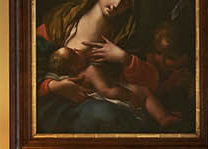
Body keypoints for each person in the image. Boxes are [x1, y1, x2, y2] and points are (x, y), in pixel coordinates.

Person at [34, 0, 174, 133]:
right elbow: (29, 62)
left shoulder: (123, 36)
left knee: (110, 115)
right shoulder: (62, 20)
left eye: (125, 2)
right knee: (103, 114)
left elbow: (150, 83)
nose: (117, 5)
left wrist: (124, 58)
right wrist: (52, 86)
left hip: (101, 101)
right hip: (59, 106)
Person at [44, 45, 179, 128]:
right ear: (74, 67)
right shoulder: (90, 70)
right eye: (73, 53)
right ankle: (163, 118)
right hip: (114, 98)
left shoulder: (69, 78)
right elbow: (107, 90)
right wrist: (128, 95)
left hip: (99, 101)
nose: (76, 49)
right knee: (143, 92)